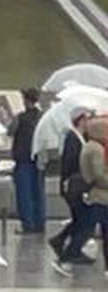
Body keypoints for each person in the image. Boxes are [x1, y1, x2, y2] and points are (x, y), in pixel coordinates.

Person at [60, 117, 108, 276]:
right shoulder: (96, 149)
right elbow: (99, 175)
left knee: (89, 229)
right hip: (100, 197)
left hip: (98, 196)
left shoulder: (90, 146)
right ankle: (65, 259)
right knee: (85, 231)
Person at [50, 108, 93, 272]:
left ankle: (62, 242)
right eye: (87, 119)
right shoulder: (72, 138)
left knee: (80, 219)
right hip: (74, 186)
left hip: (77, 184)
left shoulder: (82, 138)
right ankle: (67, 249)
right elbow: (70, 163)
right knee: (83, 219)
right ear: (80, 120)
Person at [9, 87, 45, 234]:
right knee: (38, 193)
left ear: (26, 100)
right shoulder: (42, 117)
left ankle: (28, 225)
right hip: (38, 159)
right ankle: (40, 223)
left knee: (24, 194)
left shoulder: (20, 118)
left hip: (23, 159)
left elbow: (10, 131)